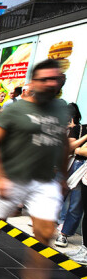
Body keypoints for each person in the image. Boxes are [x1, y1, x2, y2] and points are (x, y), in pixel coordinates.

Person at [0, 59, 69, 279]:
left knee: (47, 231)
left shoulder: (61, 109)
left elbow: (63, 144)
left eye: (55, 79)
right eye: (44, 79)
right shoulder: (16, 109)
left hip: (44, 180)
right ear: (33, 82)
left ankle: (36, 276)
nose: (50, 83)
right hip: (11, 176)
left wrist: (64, 178)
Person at [55, 103, 87, 247]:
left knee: (76, 205)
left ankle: (64, 233)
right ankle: (53, 223)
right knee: (60, 196)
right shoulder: (80, 128)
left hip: (81, 167)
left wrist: (80, 150)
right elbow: (73, 148)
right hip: (76, 165)